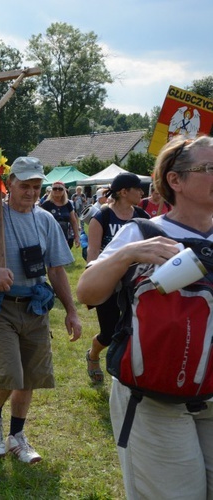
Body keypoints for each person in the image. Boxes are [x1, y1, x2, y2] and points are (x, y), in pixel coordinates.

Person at [76, 135, 213, 499]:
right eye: (210, 168)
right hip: (153, 399)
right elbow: (87, 292)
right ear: (176, 180)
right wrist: (128, 254)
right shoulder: (144, 232)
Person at [0, 156, 82, 463]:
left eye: (35, 186)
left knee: (30, 376)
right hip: (0, 306)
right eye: (24, 185)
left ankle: (17, 436)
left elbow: (56, 270)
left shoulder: (45, 220)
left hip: (35, 305)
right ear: (8, 183)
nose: (30, 192)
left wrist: (71, 310)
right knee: (10, 374)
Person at [84, 173, 149, 383]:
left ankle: (127, 373)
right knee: (109, 332)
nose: (142, 192)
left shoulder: (141, 216)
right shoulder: (102, 217)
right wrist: (93, 282)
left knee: (135, 328)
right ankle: (93, 353)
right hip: (108, 282)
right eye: (138, 189)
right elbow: (93, 252)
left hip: (134, 283)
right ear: (123, 192)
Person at [39, 181, 80, 248]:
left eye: (60, 189)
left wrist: (76, 236)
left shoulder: (68, 204)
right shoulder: (46, 204)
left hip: (65, 237)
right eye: (55, 188)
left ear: (64, 190)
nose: (57, 190)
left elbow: (73, 221)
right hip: (50, 238)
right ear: (51, 190)